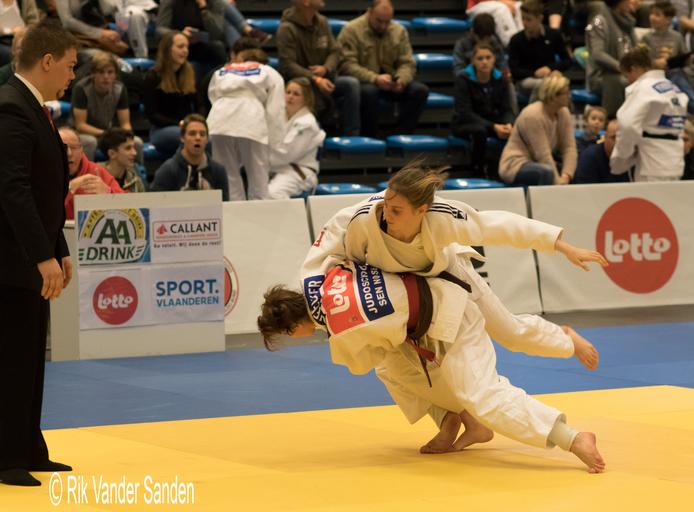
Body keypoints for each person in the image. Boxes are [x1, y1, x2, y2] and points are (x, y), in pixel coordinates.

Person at [301, 161, 606, 453]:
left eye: (396, 210)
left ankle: (567, 339)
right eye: (386, 205)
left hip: (454, 275)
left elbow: (498, 226)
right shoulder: (363, 223)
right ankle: (459, 421)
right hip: (414, 291)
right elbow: (343, 263)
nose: (387, 215)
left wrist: (561, 245)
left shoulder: (442, 217)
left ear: (422, 210)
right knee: (393, 363)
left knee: (511, 333)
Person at [259, 260, 606, 473]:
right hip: (431, 303)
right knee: (391, 367)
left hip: (448, 307)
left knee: (485, 389)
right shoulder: (326, 274)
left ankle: (573, 438)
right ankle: (456, 419)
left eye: (288, 335)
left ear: (291, 328)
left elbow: (360, 362)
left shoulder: (338, 328)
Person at [0, 20, 77, 487]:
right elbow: (12, 190)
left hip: (30, 255)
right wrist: (39, 255)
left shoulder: (34, 109)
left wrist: (59, 246)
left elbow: (47, 191)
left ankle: (28, 446)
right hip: (10, 260)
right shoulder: (10, 107)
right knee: (11, 357)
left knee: (30, 357)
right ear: (47, 61)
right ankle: (5, 456)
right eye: (69, 65)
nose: (72, 75)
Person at [337, 0, 429, 137]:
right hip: (364, 82)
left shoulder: (399, 31)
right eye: (379, 21)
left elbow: (407, 63)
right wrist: (374, 78)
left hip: (391, 82)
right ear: (369, 12)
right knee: (369, 92)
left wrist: (401, 80)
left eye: (387, 21)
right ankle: (370, 138)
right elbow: (347, 65)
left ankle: (401, 135)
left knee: (420, 91)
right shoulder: (351, 30)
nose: (383, 26)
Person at [207, 39, 285, 201]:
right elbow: (275, 110)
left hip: (219, 118)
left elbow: (213, 96)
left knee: (227, 174)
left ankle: (233, 212)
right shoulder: (268, 71)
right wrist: (274, 141)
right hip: (250, 117)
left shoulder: (222, 71)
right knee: (258, 173)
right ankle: (259, 210)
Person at [276, 0, 360, 135]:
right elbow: (288, 64)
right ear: (306, 2)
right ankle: (313, 133)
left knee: (351, 84)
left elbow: (335, 51)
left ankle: (351, 137)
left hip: (325, 77)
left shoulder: (322, 22)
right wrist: (315, 78)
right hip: (301, 81)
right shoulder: (287, 28)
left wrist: (326, 68)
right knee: (305, 88)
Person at [611, 47, 688, 181]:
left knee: (650, 195)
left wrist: (620, 159)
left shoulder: (642, 88)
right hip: (675, 161)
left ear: (633, 69)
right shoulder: (674, 88)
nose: (628, 81)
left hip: (651, 163)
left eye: (627, 76)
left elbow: (627, 126)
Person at [499, 74, 577, 185]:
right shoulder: (533, 115)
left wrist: (566, 175)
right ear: (554, 95)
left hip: (539, 162)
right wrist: (558, 183)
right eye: (566, 93)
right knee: (546, 172)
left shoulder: (563, 112)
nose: (569, 96)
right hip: (516, 164)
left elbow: (569, 147)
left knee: (573, 167)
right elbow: (542, 154)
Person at [452, 43, 515, 178]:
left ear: (494, 59)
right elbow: (464, 112)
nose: (484, 62)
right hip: (465, 123)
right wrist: (493, 127)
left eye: (488, 57)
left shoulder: (501, 79)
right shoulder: (463, 79)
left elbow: (507, 109)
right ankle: (477, 171)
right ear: (473, 61)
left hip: (491, 122)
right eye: (480, 58)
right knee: (480, 131)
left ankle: (505, 171)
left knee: (512, 130)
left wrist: (509, 124)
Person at [71, 50, 141, 161]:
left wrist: (127, 136)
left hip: (107, 133)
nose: (106, 76)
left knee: (136, 142)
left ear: (116, 74)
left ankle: (134, 171)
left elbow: (125, 123)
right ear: (93, 73)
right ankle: (85, 171)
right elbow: (81, 125)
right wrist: (106, 134)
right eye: (101, 72)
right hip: (82, 133)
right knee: (90, 141)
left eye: (110, 72)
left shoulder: (120, 89)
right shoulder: (81, 88)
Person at [143, 31, 200, 158]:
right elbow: (152, 115)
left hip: (186, 127)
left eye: (187, 47)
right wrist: (180, 123)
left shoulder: (190, 72)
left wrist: (198, 122)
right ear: (167, 50)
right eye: (180, 47)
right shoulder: (153, 76)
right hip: (161, 129)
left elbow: (199, 104)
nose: (185, 51)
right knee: (192, 139)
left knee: (207, 139)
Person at [268, 77, 326, 199]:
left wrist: (261, 161)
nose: (290, 97)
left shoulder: (307, 123)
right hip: (278, 168)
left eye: (296, 94)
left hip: (299, 171)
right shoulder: (279, 116)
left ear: (306, 99)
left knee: (273, 194)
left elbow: (286, 155)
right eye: (288, 92)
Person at [150, 113, 229, 199]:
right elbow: (155, 204)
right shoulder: (167, 171)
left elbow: (224, 204)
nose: (198, 138)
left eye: (202, 134)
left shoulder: (219, 171)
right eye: (192, 133)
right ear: (182, 138)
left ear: (207, 139)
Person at [507, 0, 571, 100]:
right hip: (525, 80)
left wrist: (550, 69)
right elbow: (514, 70)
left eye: (529, 19)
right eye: (523, 19)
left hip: (549, 76)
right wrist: (534, 73)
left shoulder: (553, 35)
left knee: (560, 85)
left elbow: (567, 61)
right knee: (545, 85)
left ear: (540, 18)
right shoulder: (516, 40)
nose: (524, 23)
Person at [60, 126, 125, 220]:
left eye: (74, 147)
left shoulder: (96, 171)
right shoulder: (43, 173)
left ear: (81, 150)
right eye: (63, 148)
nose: (69, 153)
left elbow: (125, 203)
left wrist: (108, 192)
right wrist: (70, 188)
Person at [585, 0, 637, 117]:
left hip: (626, 71)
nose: (631, 2)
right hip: (602, 75)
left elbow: (636, 49)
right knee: (623, 82)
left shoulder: (628, 22)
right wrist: (622, 68)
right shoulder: (599, 21)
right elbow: (598, 54)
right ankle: (613, 119)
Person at [155, 0, 227, 72]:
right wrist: (180, 35)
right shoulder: (170, 1)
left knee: (218, 48)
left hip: (203, 45)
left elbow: (217, 33)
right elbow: (160, 29)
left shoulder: (215, 2)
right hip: (177, 44)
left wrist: (204, 9)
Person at [573, 119, 630, 183]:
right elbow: (582, 187)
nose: (618, 143)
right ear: (605, 137)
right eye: (614, 137)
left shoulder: (633, 158)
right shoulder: (589, 157)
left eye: (623, 139)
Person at [453, 13, 507, 78]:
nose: (484, 43)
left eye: (487, 39)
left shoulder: (495, 43)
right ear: (473, 32)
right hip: (469, 81)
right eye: (481, 38)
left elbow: (503, 68)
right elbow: (458, 72)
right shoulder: (462, 44)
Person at [98, 127, 146, 192]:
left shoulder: (135, 179)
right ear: (112, 154)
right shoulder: (94, 176)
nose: (134, 153)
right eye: (128, 148)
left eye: (133, 147)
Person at [0, 0, 38, 66]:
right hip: (2, 39)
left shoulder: (26, 1)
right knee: (9, 54)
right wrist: (8, 31)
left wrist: (23, 31)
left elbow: (34, 23)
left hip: (24, 37)